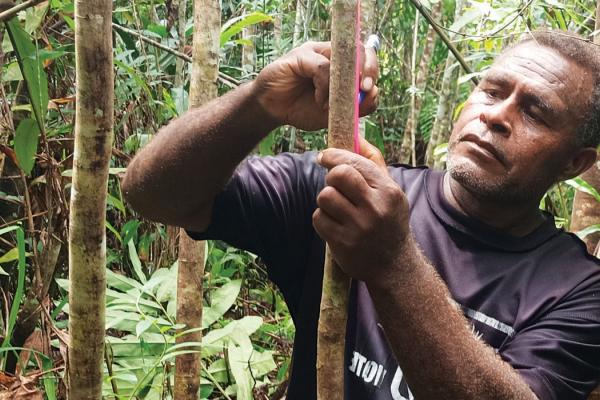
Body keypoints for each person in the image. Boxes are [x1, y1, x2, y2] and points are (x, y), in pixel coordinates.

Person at [122, 30, 600, 399]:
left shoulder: (579, 289)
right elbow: (153, 194)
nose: (496, 115)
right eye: (492, 91)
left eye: (535, 112)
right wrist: (260, 102)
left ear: (575, 162)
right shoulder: (345, 195)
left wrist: (393, 262)